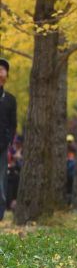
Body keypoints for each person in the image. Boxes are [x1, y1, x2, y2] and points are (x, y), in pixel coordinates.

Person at [0, 58, 17, 221]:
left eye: (3, 69)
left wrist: (9, 142)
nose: (0, 71)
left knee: (1, 181)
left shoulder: (10, 99)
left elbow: (13, 125)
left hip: (2, 146)